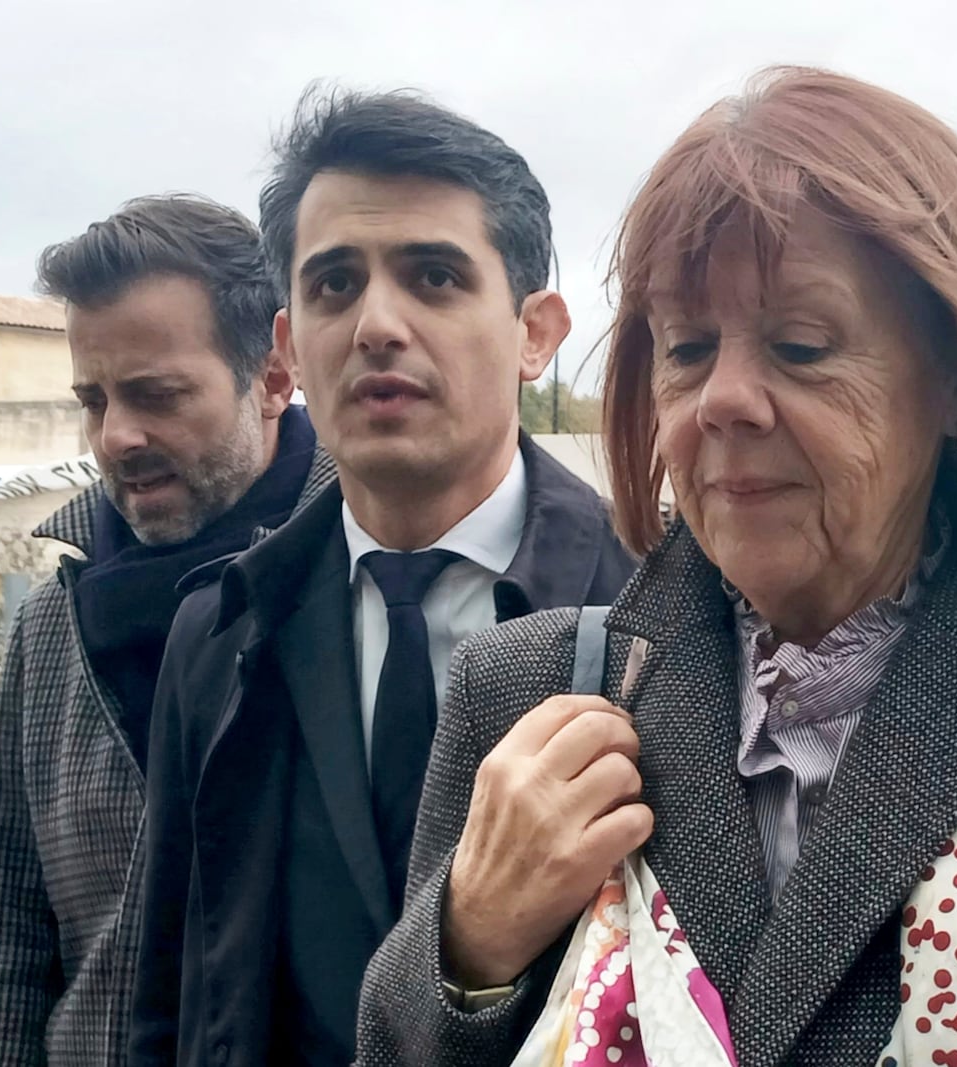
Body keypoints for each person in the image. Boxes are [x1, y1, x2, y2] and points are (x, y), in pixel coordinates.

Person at [355, 67, 957, 1066]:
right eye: (688, 347)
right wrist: (471, 948)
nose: (724, 399)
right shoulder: (527, 698)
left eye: (800, 345)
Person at [127, 89, 636, 1066]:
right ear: (287, 348)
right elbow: (170, 984)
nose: (376, 324)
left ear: (535, 332)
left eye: (435, 276)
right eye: (333, 285)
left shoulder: (649, 618)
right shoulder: (223, 628)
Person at [0, 195, 334, 1067]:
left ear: (275, 376)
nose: (117, 435)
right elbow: (12, 947)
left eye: (157, 394)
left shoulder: (358, 577)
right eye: (93, 400)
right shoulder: (53, 624)